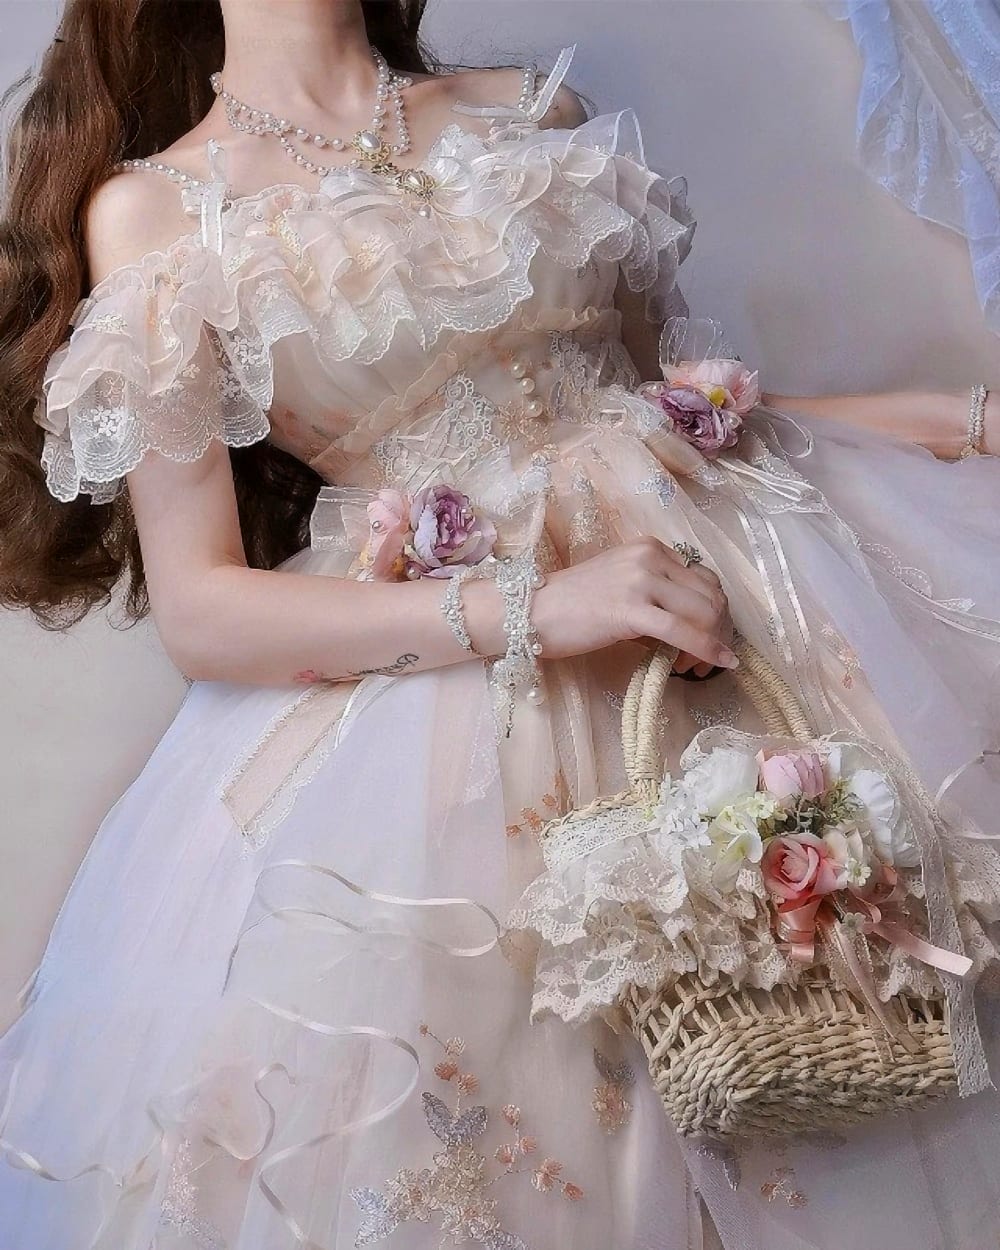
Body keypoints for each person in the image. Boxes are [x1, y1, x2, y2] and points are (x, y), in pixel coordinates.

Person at [1, 2, 999, 1248]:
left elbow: (671, 411)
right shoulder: (155, 210)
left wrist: (929, 417)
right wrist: (537, 603)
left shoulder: (531, 112)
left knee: (853, 1020)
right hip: (446, 702)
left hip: (724, 596)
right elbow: (203, 607)